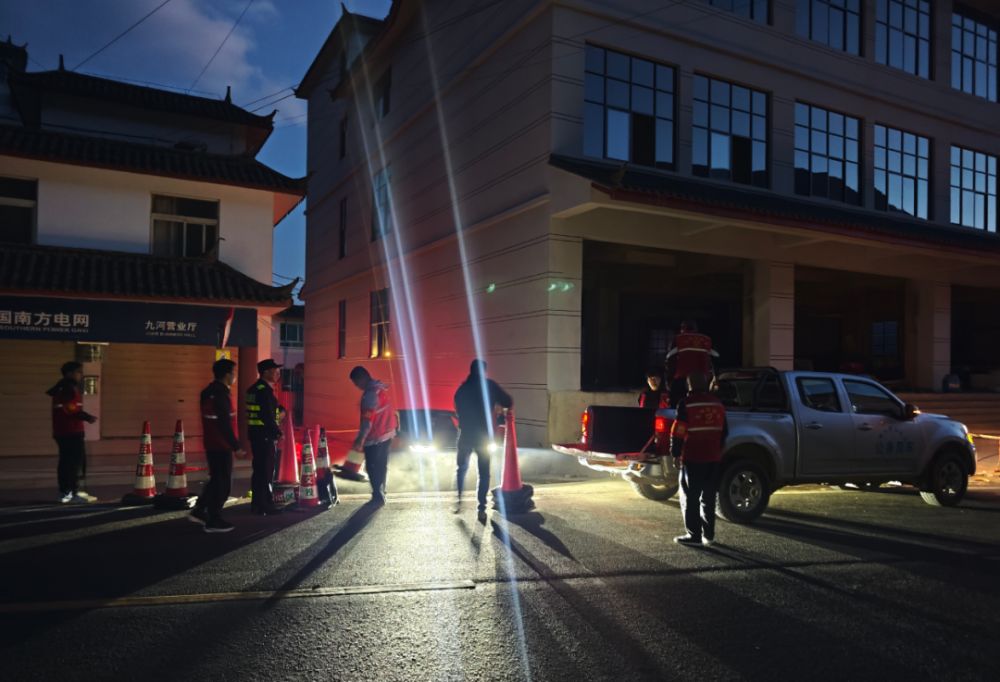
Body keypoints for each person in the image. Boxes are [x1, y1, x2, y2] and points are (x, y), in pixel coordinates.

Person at [669, 371, 728, 547]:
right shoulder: (717, 403)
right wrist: (718, 451)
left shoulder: (686, 404)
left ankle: (693, 535)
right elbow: (724, 431)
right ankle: (709, 535)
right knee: (708, 497)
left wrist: (675, 453)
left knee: (691, 497)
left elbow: (678, 430)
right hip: (713, 457)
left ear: (689, 385)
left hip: (693, 457)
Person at [453, 359, 513, 522]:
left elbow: (457, 409)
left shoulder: (462, 389)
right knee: (484, 472)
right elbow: (508, 401)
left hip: (466, 434)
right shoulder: (490, 386)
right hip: (484, 435)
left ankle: (459, 499)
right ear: (484, 371)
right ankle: (481, 507)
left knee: (461, 468)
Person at [191, 359, 246, 533]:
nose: (234, 376)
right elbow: (224, 424)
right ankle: (214, 519)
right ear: (227, 374)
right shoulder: (221, 394)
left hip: (211, 443)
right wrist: (236, 446)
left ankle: (200, 509)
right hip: (221, 445)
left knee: (216, 479)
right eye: (233, 373)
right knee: (223, 483)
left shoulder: (207, 392)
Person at [47, 361, 98, 504]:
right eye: (78, 372)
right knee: (73, 463)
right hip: (71, 431)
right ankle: (72, 493)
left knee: (66, 462)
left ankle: (66, 492)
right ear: (69, 373)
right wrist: (87, 417)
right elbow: (71, 408)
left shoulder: (62, 387)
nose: (81, 375)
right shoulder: (68, 388)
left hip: (63, 431)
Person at [349, 366, 397, 506]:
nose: (356, 386)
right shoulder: (380, 389)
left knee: (371, 466)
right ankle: (381, 491)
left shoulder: (370, 395)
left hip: (375, 436)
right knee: (382, 464)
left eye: (356, 382)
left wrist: (360, 438)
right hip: (387, 433)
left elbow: (367, 420)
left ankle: (377, 494)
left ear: (362, 378)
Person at [246, 359, 283, 515]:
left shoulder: (254, 389)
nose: (278, 373)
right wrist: (278, 433)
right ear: (266, 372)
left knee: (259, 470)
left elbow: (266, 410)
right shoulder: (264, 391)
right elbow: (266, 415)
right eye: (275, 370)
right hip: (265, 436)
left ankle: (257, 504)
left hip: (256, 435)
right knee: (266, 471)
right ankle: (265, 505)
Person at [665, 320, 716, 405]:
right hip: (701, 381)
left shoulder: (678, 339)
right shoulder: (705, 340)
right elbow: (710, 361)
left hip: (682, 379)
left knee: (677, 403)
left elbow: (671, 361)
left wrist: (669, 379)